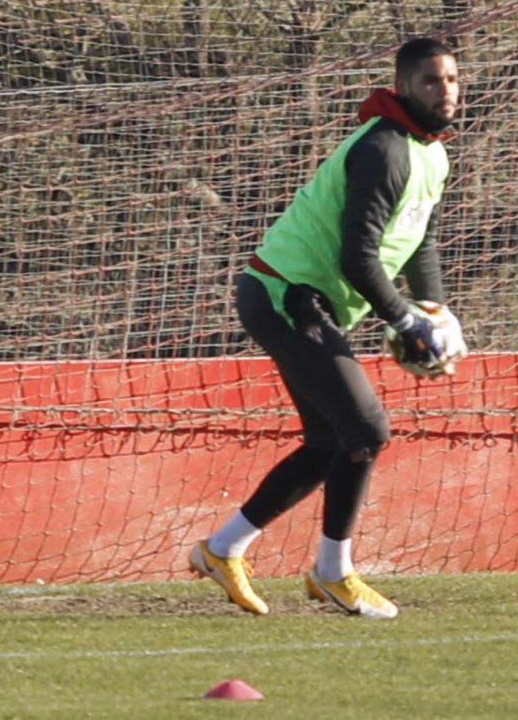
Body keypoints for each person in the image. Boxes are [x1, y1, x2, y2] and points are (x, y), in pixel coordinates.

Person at [188, 36, 464, 620]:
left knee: (329, 443)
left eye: (452, 80)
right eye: (431, 81)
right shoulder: (384, 149)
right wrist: (404, 318)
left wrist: (435, 310)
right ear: (403, 86)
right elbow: (357, 260)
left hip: (306, 300)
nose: (446, 92)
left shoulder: (433, 154)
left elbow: (421, 243)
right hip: (283, 292)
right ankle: (334, 572)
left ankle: (222, 548)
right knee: (366, 428)